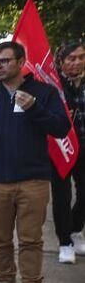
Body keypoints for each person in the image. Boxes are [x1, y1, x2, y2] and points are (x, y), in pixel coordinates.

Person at [0, 41, 71, 283]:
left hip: (33, 178)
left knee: (31, 239)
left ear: (21, 62)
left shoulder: (43, 92)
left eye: (4, 61)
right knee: (0, 238)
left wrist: (34, 108)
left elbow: (61, 128)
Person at [51, 41, 85, 263]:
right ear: (61, 61)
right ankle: (65, 242)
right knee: (61, 196)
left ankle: (75, 228)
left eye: (81, 57)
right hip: (60, 145)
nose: (77, 62)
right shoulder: (53, 84)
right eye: (71, 58)